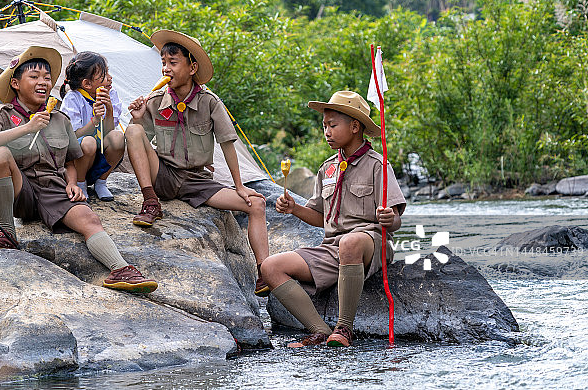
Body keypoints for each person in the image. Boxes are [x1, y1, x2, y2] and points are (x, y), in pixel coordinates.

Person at [0, 45, 157, 293]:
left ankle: (120, 270)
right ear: (15, 83)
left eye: (47, 78)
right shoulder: (3, 113)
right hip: (21, 189)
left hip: (54, 187)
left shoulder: (59, 118)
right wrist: (28, 127)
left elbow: (70, 160)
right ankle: (6, 232)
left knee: (89, 219)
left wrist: (72, 183)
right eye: (34, 77)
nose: (43, 83)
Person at [124, 30, 270, 296]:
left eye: (173, 62)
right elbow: (139, 142)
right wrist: (137, 117)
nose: (166, 69)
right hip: (163, 175)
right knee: (133, 130)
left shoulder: (209, 102)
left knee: (257, 204)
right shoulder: (155, 101)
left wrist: (239, 186)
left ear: (192, 68)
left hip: (198, 181)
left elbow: (227, 143)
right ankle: (151, 202)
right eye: (163, 63)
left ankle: (265, 272)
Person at [260, 90, 405, 347]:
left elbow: (395, 221)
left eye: (332, 126)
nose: (326, 132)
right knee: (270, 267)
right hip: (332, 249)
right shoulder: (327, 168)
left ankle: (344, 328)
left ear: (355, 127)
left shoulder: (378, 165)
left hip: (371, 244)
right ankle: (319, 331)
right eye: (324, 126)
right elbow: (321, 218)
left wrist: (387, 218)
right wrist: (294, 208)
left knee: (350, 242)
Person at [60, 51, 124, 202]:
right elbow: (74, 135)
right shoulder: (73, 98)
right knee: (89, 142)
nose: (110, 78)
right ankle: (80, 183)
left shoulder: (111, 94)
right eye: (103, 75)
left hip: (99, 156)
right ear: (87, 84)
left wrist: (109, 110)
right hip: (78, 159)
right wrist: (94, 120)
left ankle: (101, 182)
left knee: (118, 137)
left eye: (108, 72)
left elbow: (109, 130)